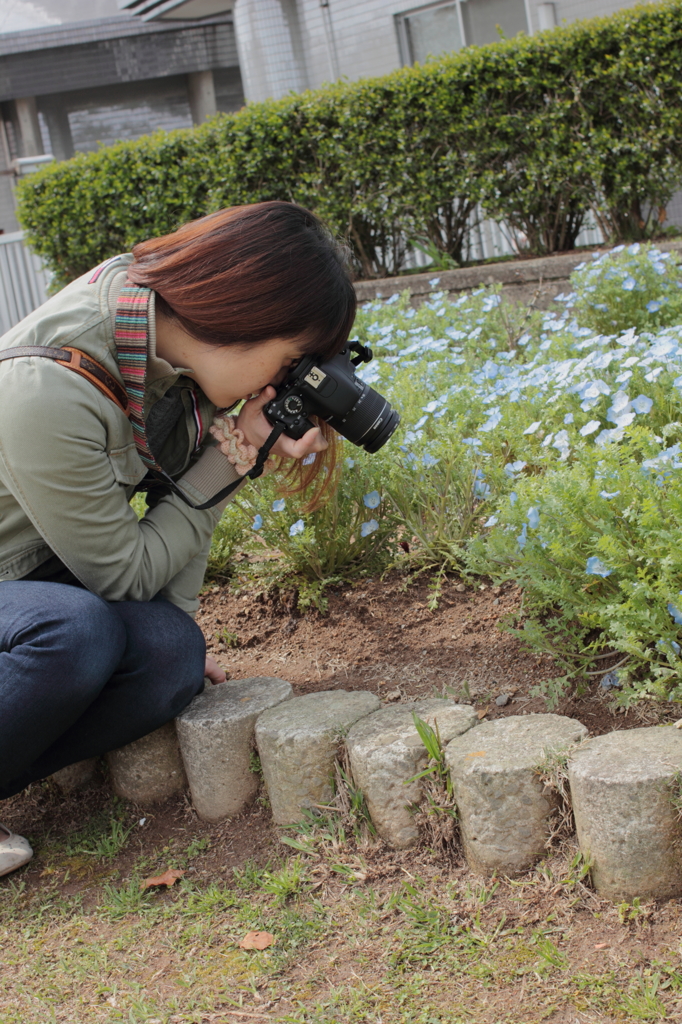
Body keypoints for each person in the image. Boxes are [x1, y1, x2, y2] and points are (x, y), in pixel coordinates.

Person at [0, 201, 356, 877]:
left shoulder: (161, 341)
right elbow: (124, 579)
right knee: (71, 632)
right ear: (245, 320)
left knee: (170, 656)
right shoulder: (47, 386)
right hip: (29, 592)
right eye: (287, 363)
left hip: (30, 578)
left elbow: (171, 521)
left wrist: (226, 460)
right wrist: (234, 458)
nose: (279, 386)